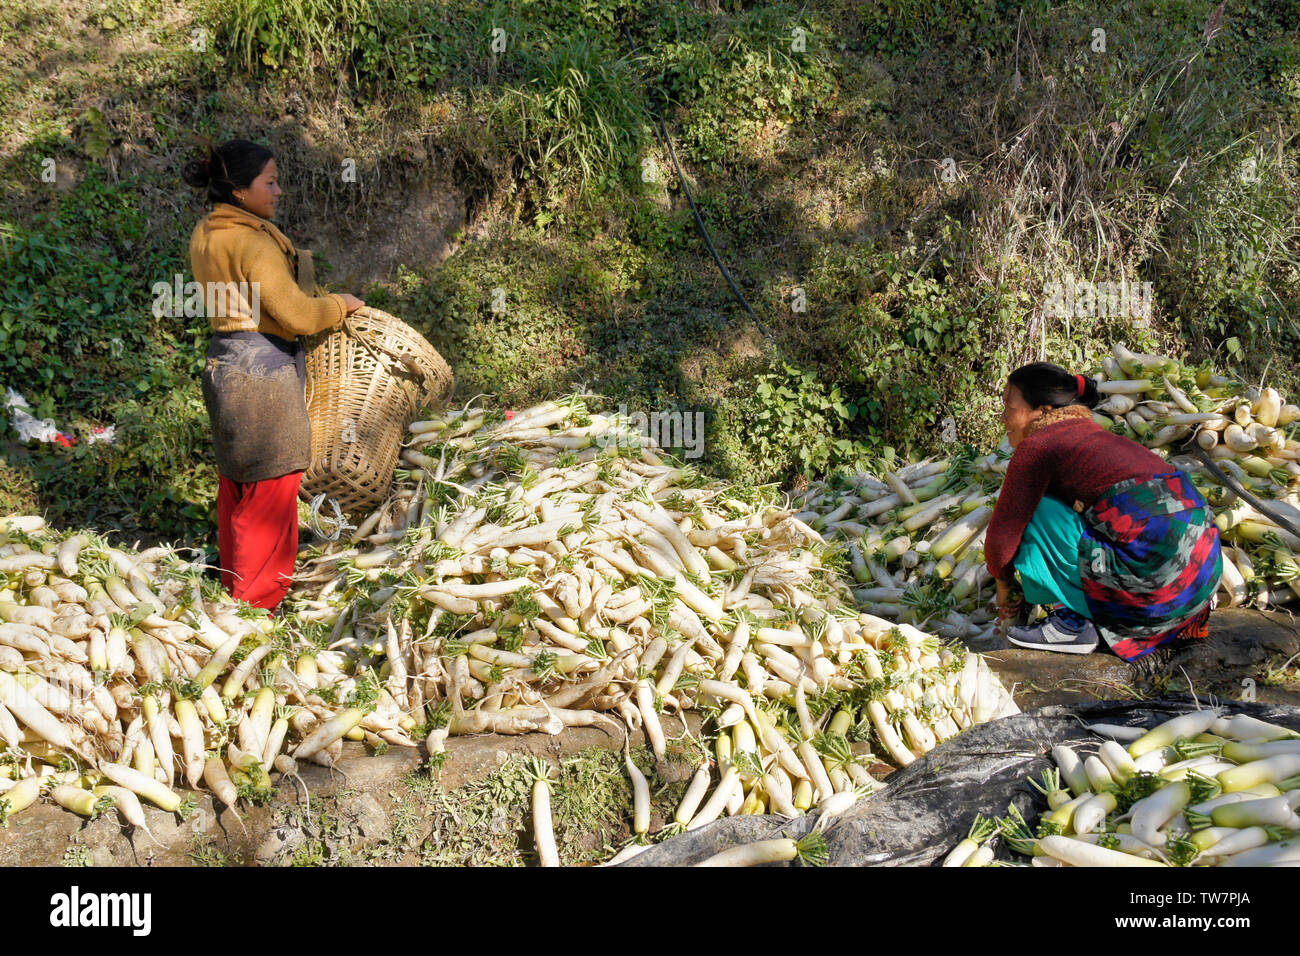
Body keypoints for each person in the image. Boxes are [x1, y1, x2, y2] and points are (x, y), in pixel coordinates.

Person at [183, 139, 366, 611]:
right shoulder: (253, 242)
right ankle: (254, 605)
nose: (279, 190)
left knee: (239, 485)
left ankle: (233, 590)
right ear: (241, 191)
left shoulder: (208, 232)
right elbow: (299, 317)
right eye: (270, 181)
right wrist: (339, 306)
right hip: (263, 373)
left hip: (225, 362)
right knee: (273, 487)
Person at [986, 362, 1222, 660]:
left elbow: (1001, 541)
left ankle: (1071, 623)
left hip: (1159, 584)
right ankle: (1154, 617)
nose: (1003, 418)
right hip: (1199, 581)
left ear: (1043, 411)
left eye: (1009, 406)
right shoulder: (1091, 435)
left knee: (1035, 511)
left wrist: (1004, 589)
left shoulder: (1038, 446)